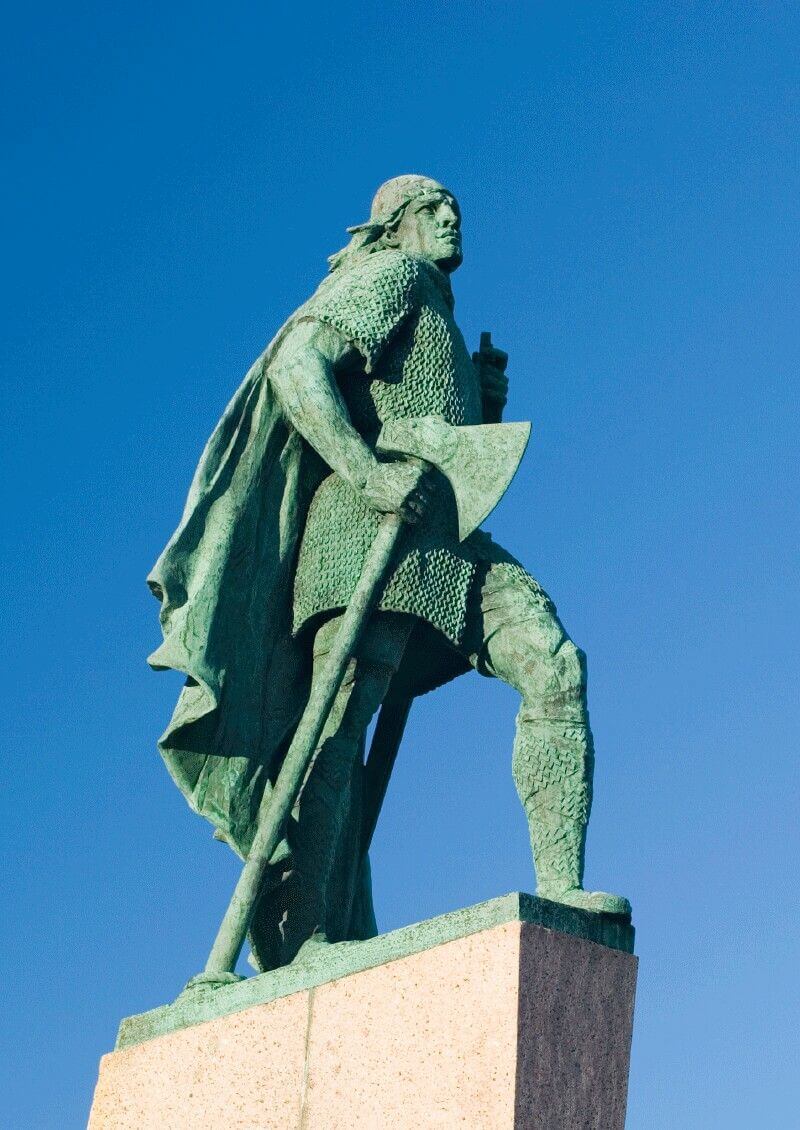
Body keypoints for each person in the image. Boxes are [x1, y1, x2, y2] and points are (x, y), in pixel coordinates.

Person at [148, 175, 630, 973]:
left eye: (457, 208)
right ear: (395, 225)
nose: (451, 217)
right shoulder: (391, 276)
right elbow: (299, 368)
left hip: (446, 529)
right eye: (433, 208)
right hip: (367, 521)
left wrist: (477, 401)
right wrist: (369, 474)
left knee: (555, 666)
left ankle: (561, 889)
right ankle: (306, 940)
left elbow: (430, 424)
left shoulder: (437, 308)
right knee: (338, 728)